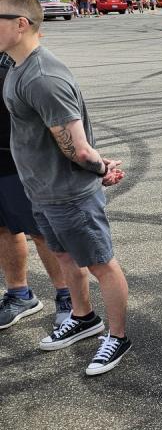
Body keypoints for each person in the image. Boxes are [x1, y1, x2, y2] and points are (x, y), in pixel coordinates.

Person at [0, 0, 131, 376]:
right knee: (64, 256)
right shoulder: (16, 67)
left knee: (101, 264)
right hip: (40, 189)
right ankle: (84, 317)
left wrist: (101, 168)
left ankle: (118, 337)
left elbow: (78, 148)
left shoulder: (42, 77)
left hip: (69, 193)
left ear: (20, 24)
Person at [0, 49, 72, 331]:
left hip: (21, 162)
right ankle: (20, 295)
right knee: (3, 228)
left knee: (41, 231)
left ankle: (68, 297)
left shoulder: (16, 62)